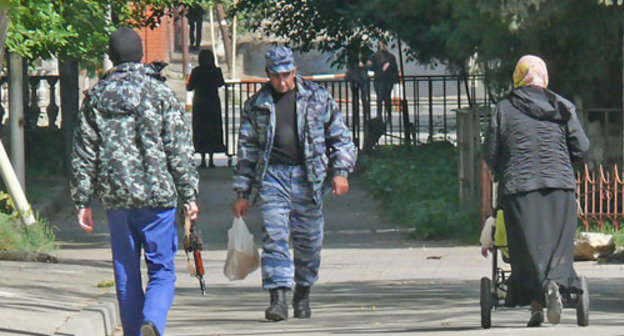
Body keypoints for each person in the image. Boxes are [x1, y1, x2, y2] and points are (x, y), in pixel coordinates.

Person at [70, 27, 199, 336]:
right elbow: (178, 147)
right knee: (162, 271)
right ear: (141, 54)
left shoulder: (96, 97)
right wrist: (189, 194)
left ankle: (132, 332)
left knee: (126, 272)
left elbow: (84, 151)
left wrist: (82, 200)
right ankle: (152, 320)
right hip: (158, 199)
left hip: (117, 200)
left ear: (111, 58)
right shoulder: (160, 93)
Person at [232, 46, 357, 321]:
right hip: (272, 178)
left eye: (287, 74)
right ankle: (278, 298)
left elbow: (341, 138)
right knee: (275, 237)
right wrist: (242, 193)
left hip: (309, 178)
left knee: (309, 242)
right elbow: (247, 152)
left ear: (295, 71)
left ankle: (303, 292)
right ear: (268, 75)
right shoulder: (256, 105)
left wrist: (340, 172)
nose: (282, 81)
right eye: (276, 76)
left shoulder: (317, 99)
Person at [484, 55, 589, 327]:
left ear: (518, 77)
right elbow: (581, 147)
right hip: (560, 188)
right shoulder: (562, 106)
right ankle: (554, 285)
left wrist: (498, 168)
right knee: (557, 243)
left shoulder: (504, 108)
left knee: (527, 250)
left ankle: (535, 304)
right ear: (544, 77)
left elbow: (491, 152)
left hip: (520, 189)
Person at [187, 49, 226, 168]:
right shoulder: (216, 71)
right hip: (213, 102)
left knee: (201, 129)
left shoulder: (196, 71)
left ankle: (203, 158)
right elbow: (221, 83)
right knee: (213, 129)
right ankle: (212, 158)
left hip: (200, 103)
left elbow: (190, 87)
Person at [369, 40, 398, 122]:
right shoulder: (375, 56)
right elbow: (371, 67)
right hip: (379, 80)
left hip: (388, 80)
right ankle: (379, 116)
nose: (383, 46)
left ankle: (388, 116)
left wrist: (389, 65)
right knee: (380, 98)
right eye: (382, 44)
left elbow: (395, 68)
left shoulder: (391, 57)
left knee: (387, 98)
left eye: (385, 44)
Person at [345, 41, 371, 120]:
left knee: (364, 98)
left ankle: (364, 117)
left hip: (361, 77)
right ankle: (358, 118)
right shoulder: (352, 54)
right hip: (357, 77)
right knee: (358, 99)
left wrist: (364, 66)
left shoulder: (365, 52)